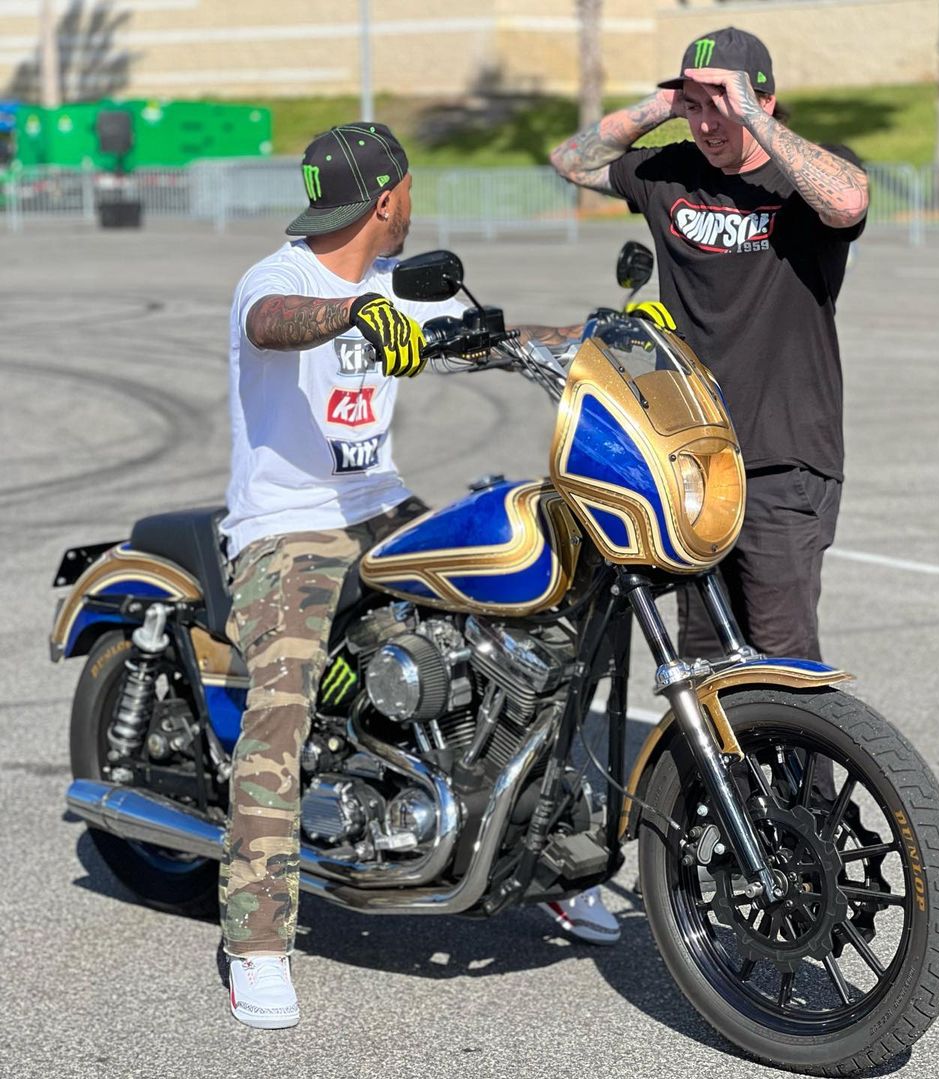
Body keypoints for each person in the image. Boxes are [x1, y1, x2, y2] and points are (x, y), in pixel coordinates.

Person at [219, 123, 617, 1031]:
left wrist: (596, 334)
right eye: (410, 191)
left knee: (537, 624)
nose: (413, 205)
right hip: (289, 526)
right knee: (280, 710)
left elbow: (489, 336)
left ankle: (545, 853)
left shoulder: (396, 282)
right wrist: (354, 316)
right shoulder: (277, 279)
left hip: (384, 505)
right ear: (388, 197)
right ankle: (258, 943)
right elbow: (271, 323)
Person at [549, 27, 869, 666]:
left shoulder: (805, 172)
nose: (705, 124)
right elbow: (571, 161)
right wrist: (663, 105)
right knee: (704, 659)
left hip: (783, 459)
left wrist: (750, 113)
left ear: (763, 100)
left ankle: (802, 744)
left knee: (783, 658)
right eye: (694, 107)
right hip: (692, 457)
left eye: (719, 105)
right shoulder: (670, 172)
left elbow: (848, 203)